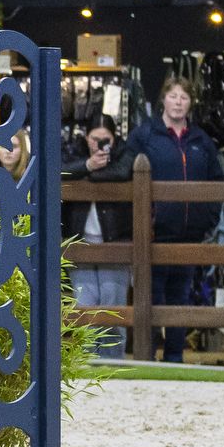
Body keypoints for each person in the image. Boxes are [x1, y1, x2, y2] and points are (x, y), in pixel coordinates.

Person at [117, 77, 224, 362]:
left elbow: (218, 181)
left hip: (190, 236)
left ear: (191, 103)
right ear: (163, 100)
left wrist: (208, 219)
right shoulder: (145, 135)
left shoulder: (201, 141)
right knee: (151, 299)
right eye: (173, 96)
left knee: (181, 299)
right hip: (153, 235)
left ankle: (176, 356)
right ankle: (147, 356)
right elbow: (125, 173)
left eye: (184, 97)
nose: (178, 102)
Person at [62, 117, 130, 354]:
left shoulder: (124, 154)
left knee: (112, 306)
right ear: (86, 138)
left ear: (114, 139)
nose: (99, 144)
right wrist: (88, 166)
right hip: (81, 242)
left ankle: (114, 364)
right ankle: (87, 365)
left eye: (105, 139)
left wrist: (89, 173)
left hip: (116, 241)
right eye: (94, 139)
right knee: (85, 307)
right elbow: (59, 171)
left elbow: (124, 172)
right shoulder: (73, 153)